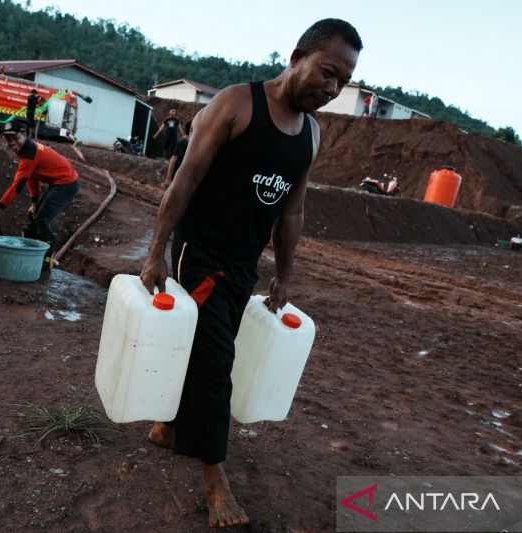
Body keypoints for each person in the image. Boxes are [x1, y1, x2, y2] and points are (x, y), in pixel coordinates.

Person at [139, 18, 361, 528]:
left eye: (343, 83)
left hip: (244, 265)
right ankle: (215, 480)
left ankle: (166, 425)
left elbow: (293, 211)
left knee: (205, 347)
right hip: (201, 253)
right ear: (297, 55)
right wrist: (155, 252)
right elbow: (185, 179)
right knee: (216, 362)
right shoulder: (238, 103)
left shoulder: (311, 134)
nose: (331, 89)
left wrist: (284, 275)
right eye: (327, 72)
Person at [0, 122, 80, 270]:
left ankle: (47, 260)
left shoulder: (30, 152)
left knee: (42, 219)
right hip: (58, 183)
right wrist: (34, 202)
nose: (12, 142)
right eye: (8, 139)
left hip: (67, 184)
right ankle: (27, 253)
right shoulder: (24, 150)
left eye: (15, 137)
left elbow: (18, 185)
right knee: (33, 221)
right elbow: (31, 177)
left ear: (24, 134)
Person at [163, 120, 192, 188]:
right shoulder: (181, 143)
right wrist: (168, 178)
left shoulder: (191, 144)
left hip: (184, 177)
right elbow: (173, 160)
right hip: (176, 176)